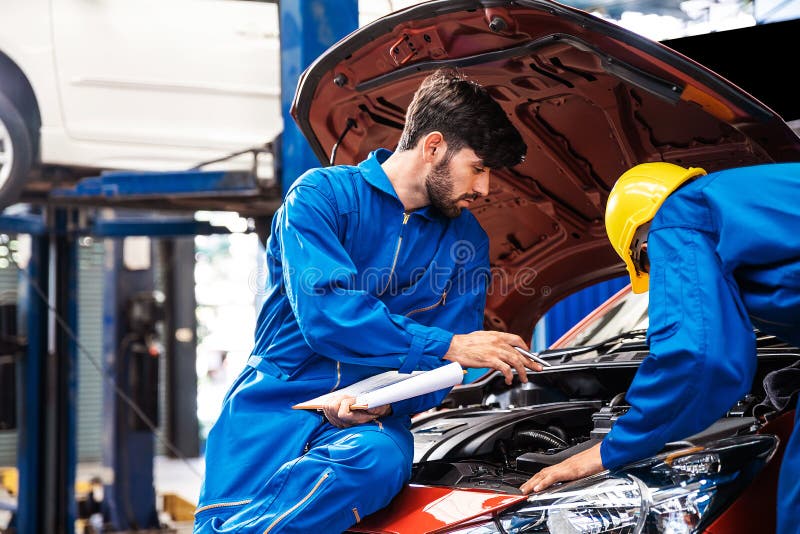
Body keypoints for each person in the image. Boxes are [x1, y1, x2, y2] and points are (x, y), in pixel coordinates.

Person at [194, 69, 542, 534]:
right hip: (274, 410)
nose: (483, 190)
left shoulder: (467, 241)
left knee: (376, 462)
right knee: (230, 518)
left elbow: (445, 373)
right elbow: (327, 315)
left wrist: (383, 405)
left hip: (367, 428)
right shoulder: (320, 197)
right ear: (433, 146)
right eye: (478, 168)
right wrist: (448, 344)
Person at [519, 162, 800, 533]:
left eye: (652, 265)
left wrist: (607, 452)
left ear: (644, 244)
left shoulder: (681, 214)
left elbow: (698, 359)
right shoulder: (746, 200)